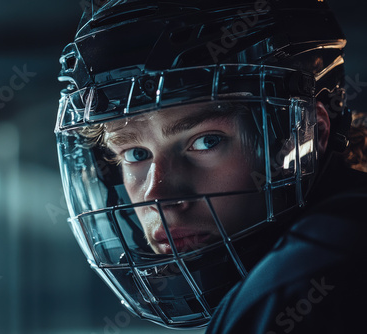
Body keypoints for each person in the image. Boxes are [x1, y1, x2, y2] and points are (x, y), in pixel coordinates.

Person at [54, 0, 367, 332]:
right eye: (135, 154)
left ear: (308, 134)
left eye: (206, 141)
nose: (158, 196)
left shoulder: (297, 287)